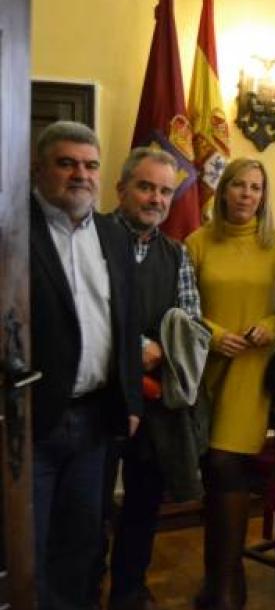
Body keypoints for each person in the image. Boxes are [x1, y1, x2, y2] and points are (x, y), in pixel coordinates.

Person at [30, 121, 142, 610]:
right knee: (24, 547)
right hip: (30, 421)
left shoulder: (113, 237)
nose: (81, 174)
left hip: (95, 420)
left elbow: (127, 323)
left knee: (80, 545)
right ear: (38, 169)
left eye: (91, 165)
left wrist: (131, 398)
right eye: (67, 162)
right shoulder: (12, 230)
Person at [185, 157, 275, 609]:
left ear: (264, 196)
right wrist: (211, 335)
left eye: (256, 188)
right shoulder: (196, 242)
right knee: (214, 469)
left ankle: (227, 586)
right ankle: (221, 579)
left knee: (227, 463)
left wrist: (272, 324)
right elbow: (181, 308)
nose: (247, 195)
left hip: (256, 370)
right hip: (205, 367)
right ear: (222, 190)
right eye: (239, 186)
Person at [105, 147, 205, 610]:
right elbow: (78, 320)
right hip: (94, 401)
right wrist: (132, 349)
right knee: (88, 506)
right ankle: (82, 591)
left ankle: (129, 591)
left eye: (166, 191)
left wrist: (164, 349)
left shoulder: (177, 253)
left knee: (143, 504)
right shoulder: (91, 238)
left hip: (151, 400)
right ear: (122, 189)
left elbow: (190, 324)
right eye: (146, 187)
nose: (156, 199)